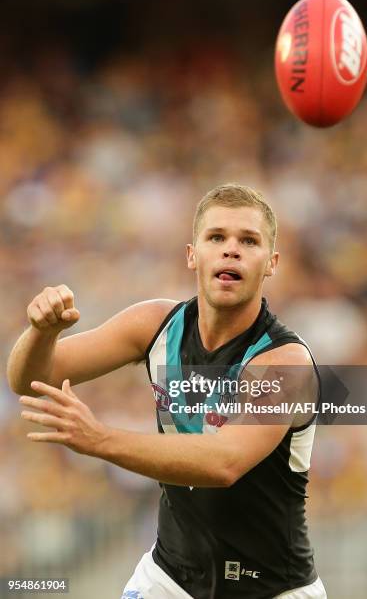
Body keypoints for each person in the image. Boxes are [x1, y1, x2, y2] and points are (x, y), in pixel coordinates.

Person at [7, 184, 327, 599]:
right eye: (216, 237)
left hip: (273, 588)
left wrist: (99, 439)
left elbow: (224, 464)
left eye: (249, 241)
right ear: (193, 255)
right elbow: (29, 378)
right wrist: (40, 333)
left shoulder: (285, 362)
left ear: (271, 263)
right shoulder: (154, 324)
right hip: (170, 578)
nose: (231, 250)